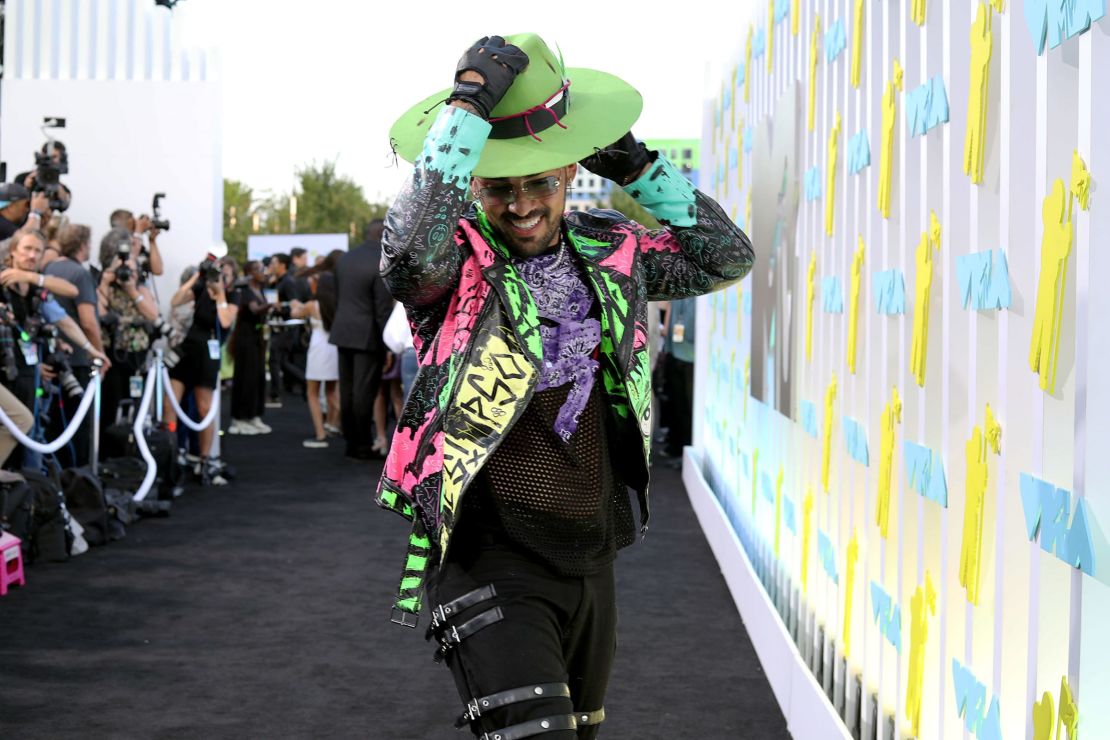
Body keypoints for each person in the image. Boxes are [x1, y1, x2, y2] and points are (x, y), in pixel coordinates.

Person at [377, 34, 753, 739]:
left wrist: (641, 169)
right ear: (475, 187)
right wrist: (464, 108)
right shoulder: (453, 264)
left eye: (538, 183)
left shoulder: (611, 250)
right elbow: (406, 253)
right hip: (489, 555)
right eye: (500, 188)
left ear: (569, 172)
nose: (520, 205)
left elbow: (724, 257)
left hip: (591, 555)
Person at [163, 260, 237, 485]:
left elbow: (224, 322)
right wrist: (196, 278)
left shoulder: (232, 298)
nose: (218, 277)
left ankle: (205, 460)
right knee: (170, 404)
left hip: (207, 352)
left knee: (204, 408)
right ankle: (173, 454)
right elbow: (175, 301)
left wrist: (220, 293)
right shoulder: (198, 290)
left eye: (223, 274)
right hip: (187, 349)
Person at [41, 224, 105, 467]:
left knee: (55, 425)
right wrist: (98, 354)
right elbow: (88, 322)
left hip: (54, 358)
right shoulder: (80, 274)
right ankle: (80, 479)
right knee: (79, 426)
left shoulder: (50, 268)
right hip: (78, 360)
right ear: (82, 245)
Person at [329, 220, 393, 461]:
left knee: (347, 390)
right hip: (367, 335)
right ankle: (362, 445)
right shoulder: (381, 260)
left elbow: (339, 295)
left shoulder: (345, 258)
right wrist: (387, 344)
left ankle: (351, 442)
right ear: (384, 233)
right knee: (364, 392)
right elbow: (382, 309)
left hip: (342, 331)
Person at [95, 227, 161, 433]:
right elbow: (98, 310)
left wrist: (132, 290)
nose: (126, 274)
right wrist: (106, 282)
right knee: (110, 403)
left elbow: (152, 314)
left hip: (136, 354)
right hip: (112, 351)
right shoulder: (104, 284)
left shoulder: (139, 288)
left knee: (137, 404)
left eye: (131, 270)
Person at [289, 251, 342, 448]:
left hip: (318, 349)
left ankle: (320, 434)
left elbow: (296, 311)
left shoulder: (312, 305)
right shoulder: (337, 305)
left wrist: (295, 303)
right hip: (333, 348)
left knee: (312, 392)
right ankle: (336, 424)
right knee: (331, 391)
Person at [229, 260, 273, 436]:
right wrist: (269, 306)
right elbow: (254, 310)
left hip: (258, 338)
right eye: (257, 269)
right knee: (246, 377)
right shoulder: (245, 292)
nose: (262, 271)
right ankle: (240, 417)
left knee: (258, 377)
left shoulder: (260, 290)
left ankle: (254, 414)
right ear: (249, 272)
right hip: (245, 339)